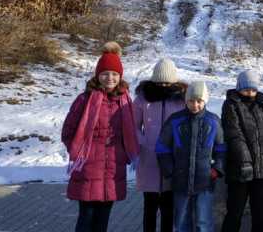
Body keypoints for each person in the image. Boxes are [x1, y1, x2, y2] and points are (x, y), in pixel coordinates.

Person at [61, 42, 139, 232]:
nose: (109, 78)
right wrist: (80, 152)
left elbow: (131, 132)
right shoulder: (84, 99)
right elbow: (68, 131)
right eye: (105, 73)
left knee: (103, 219)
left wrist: (123, 153)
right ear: (98, 75)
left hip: (113, 168)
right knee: (86, 218)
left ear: (120, 76)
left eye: (114, 74)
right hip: (88, 168)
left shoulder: (125, 101)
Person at [156, 81, 226, 232]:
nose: (195, 105)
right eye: (191, 101)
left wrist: (216, 169)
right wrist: (170, 170)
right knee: (181, 222)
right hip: (180, 181)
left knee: (204, 222)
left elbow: (221, 148)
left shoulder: (213, 121)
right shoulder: (175, 120)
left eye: (199, 101)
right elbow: (162, 147)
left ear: (205, 100)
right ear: (186, 100)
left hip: (205, 182)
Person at [221, 70, 263, 232]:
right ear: (239, 88)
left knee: (261, 215)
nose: (250, 93)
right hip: (239, 170)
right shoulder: (231, 105)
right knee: (235, 213)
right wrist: (246, 162)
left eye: (253, 89)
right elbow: (234, 135)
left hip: (261, 171)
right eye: (246, 89)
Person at [133, 58, 187, 232]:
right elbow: (133, 126)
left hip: (173, 158)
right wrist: (144, 143)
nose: (163, 85)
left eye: (167, 82)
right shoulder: (143, 98)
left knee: (168, 208)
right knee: (149, 207)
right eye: (160, 81)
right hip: (149, 158)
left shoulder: (182, 99)